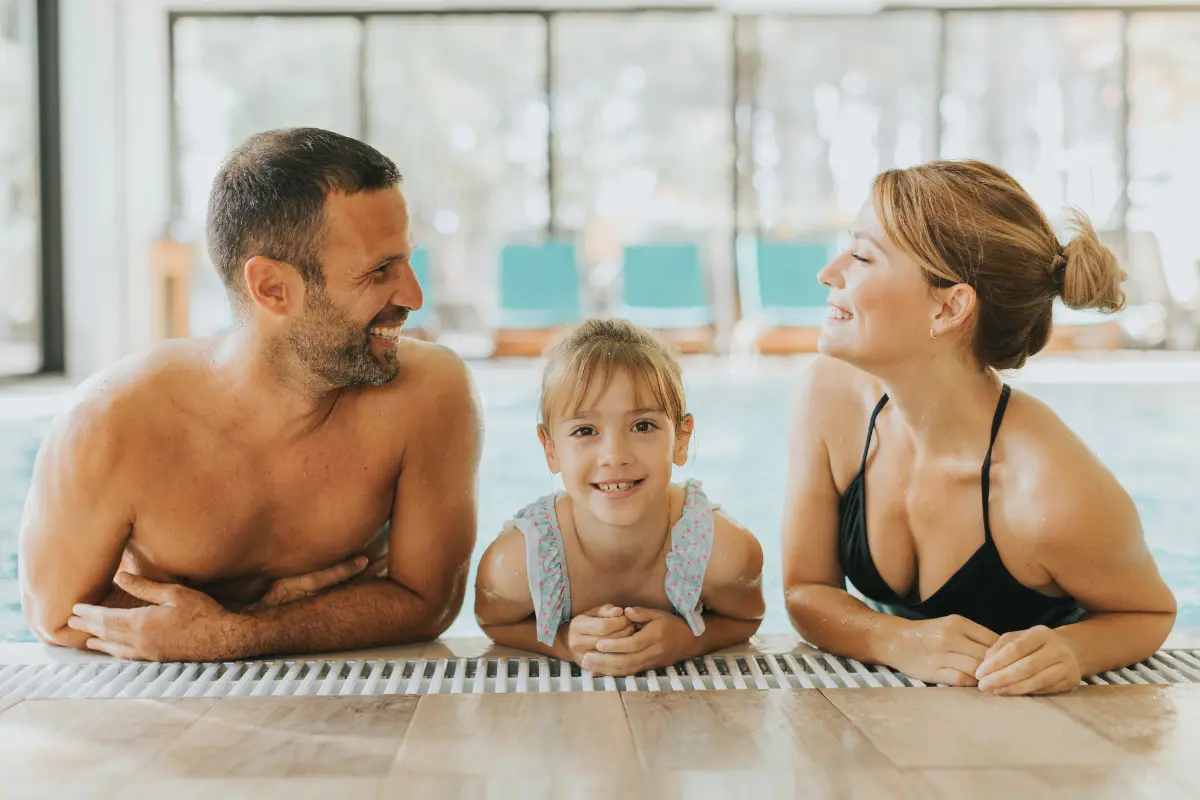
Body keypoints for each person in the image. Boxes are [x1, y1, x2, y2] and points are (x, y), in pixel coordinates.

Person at [19, 127, 482, 661]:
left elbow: (429, 603)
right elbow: (55, 616)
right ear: (272, 288)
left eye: (405, 259)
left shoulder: (429, 394)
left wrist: (235, 632)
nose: (414, 296)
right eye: (379, 271)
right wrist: (265, 624)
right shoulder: (112, 423)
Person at [782, 160, 1176, 695]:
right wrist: (894, 640)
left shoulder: (1051, 488)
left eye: (861, 256)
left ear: (949, 307)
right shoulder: (829, 397)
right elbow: (805, 590)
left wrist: (1075, 650)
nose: (829, 273)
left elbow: (1149, 612)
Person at [474, 318, 765, 676]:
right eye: (585, 430)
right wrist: (562, 642)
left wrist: (689, 640)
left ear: (681, 438)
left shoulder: (721, 554)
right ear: (551, 449)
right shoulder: (519, 563)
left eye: (643, 426)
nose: (615, 455)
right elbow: (494, 624)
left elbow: (747, 617)